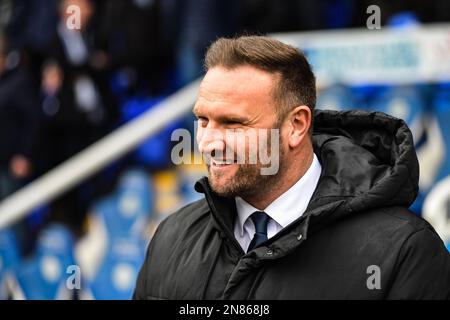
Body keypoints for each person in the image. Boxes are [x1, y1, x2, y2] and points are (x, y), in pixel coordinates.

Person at [133, 36, 450, 299]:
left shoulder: (404, 250)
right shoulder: (171, 236)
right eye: (203, 120)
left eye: (233, 123)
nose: (209, 142)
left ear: (296, 125)